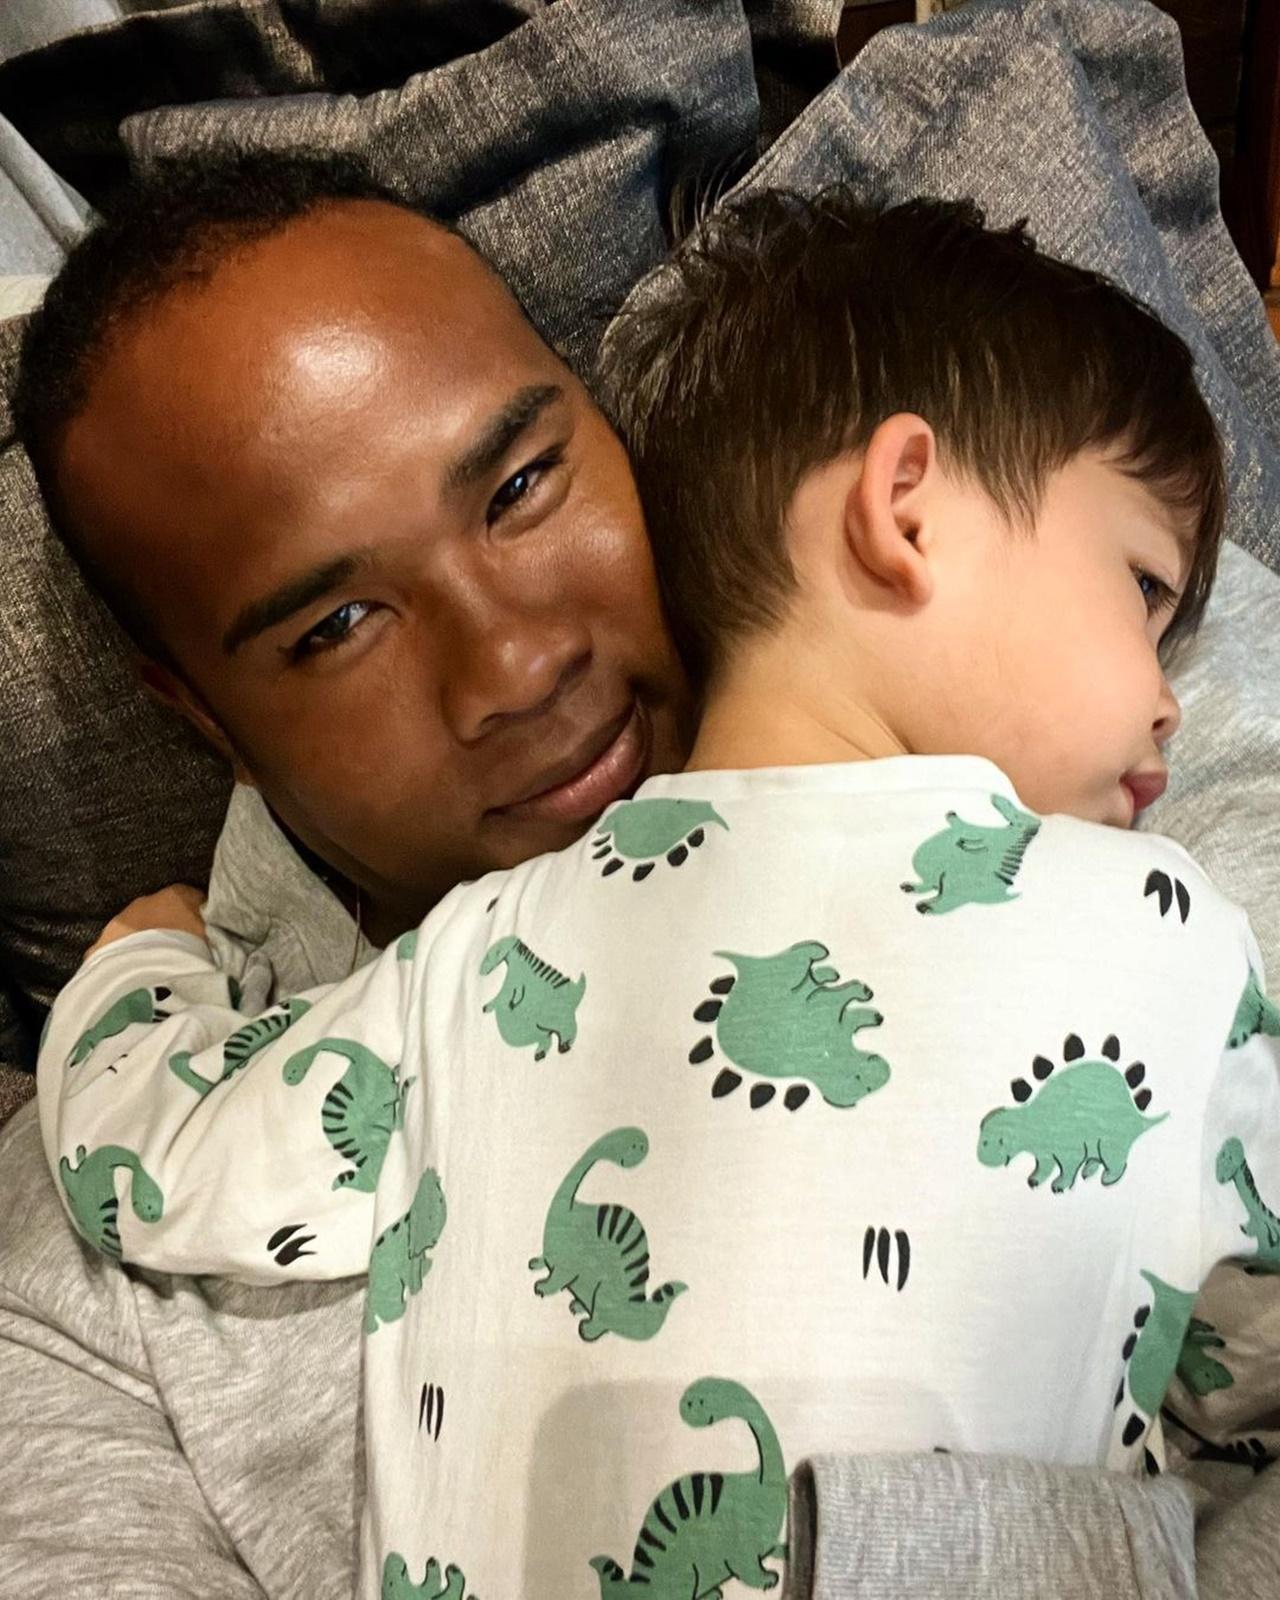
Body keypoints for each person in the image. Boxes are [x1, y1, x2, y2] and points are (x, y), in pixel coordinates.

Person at [34, 189, 1280, 1599]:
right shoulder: (1166, 923)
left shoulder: (482, 963)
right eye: (336, 624)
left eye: (521, 486)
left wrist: (137, 979)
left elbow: (152, 1138)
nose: (517, 670)